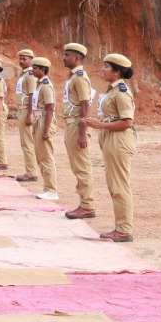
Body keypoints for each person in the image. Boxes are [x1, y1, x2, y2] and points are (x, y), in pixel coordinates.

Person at [84, 53, 137, 242]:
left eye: (106, 66)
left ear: (116, 71)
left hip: (119, 138)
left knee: (119, 184)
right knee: (114, 183)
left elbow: (127, 122)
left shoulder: (121, 91)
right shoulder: (112, 90)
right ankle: (121, 227)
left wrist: (100, 125)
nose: (102, 69)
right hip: (111, 136)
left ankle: (124, 229)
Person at [60, 43, 98, 219]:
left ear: (77, 58)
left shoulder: (80, 77)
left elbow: (85, 106)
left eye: (67, 55)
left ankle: (88, 205)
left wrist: (83, 133)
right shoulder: (73, 77)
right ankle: (84, 203)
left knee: (82, 167)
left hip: (77, 125)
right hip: (71, 124)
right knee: (77, 166)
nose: (63, 57)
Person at [27, 57, 61, 200]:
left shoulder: (46, 85)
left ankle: (51, 190)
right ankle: (47, 187)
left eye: (35, 68)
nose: (32, 70)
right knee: (40, 155)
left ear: (42, 69)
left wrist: (46, 130)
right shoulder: (39, 84)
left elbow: (50, 108)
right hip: (39, 119)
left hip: (44, 119)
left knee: (46, 156)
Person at [14, 48, 38, 180]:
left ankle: (31, 173)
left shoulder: (30, 75)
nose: (21, 61)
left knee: (27, 142)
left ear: (31, 60)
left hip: (26, 110)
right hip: (22, 109)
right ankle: (30, 171)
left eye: (25, 59)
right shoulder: (23, 74)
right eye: (20, 59)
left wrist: (30, 114)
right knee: (25, 142)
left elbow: (32, 95)